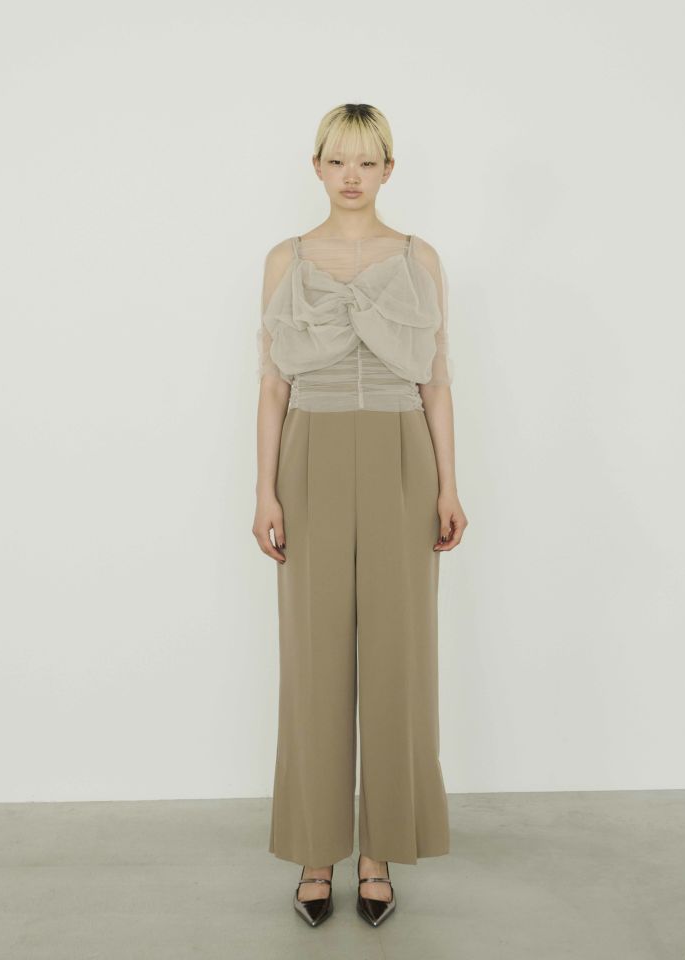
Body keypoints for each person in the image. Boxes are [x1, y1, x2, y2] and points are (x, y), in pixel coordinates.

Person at [252, 102, 468, 928]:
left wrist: (448, 486)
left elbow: (436, 382)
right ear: (316, 167)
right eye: (338, 160)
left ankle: (379, 851)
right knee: (312, 656)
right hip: (308, 455)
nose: (352, 176)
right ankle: (317, 851)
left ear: (388, 169)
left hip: (400, 455)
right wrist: (265, 490)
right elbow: (272, 385)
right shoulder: (285, 258)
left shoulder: (418, 257)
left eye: (367, 161)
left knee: (396, 653)